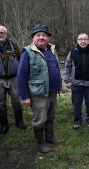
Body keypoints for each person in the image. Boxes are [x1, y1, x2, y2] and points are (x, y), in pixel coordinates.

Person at [17, 24, 62, 153]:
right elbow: (21, 75)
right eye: (38, 35)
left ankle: (50, 137)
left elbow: (55, 69)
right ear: (33, 38)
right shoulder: (28, 52)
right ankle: (40, 144)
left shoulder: (52, 50)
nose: (41, 37)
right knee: (40, 119)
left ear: (48, 38)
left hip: (52, 91)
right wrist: (24, 96)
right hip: (38, 93)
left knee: (51, 116)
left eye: (44, 35)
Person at [64, 33, 89, 129]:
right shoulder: (72, 52)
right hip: (76, 83)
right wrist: (67, 80)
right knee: (76, 103)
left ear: (88, 41)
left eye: (85, 39)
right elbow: (67, 66)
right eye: (81, 39)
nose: (83, 41)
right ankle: (77, 120)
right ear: (77, 41)